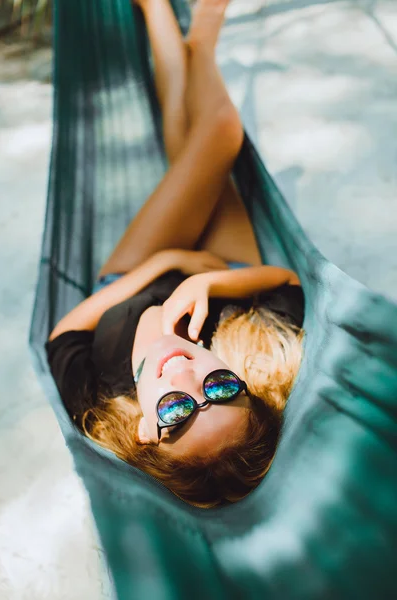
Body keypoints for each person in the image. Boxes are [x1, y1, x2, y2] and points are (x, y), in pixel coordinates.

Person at [45, 0, 304, 508]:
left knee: (212, 136)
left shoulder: (100, 403)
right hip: (225, 268)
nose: (187, 374)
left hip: (134, 276)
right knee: (207, 137)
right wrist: (208, 282)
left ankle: (190, 33)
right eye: (222, 391)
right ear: (244, 385)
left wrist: (165, 264)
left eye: (177, 413)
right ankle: (187, 32)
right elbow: (288, 282)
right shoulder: (254, 354)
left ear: (145, 430)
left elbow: (63, 337)